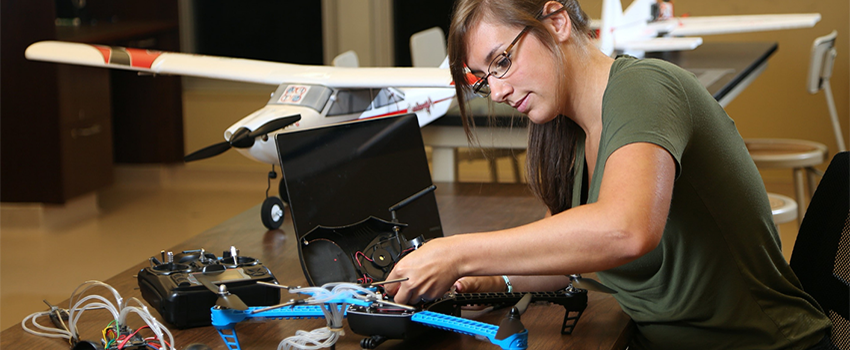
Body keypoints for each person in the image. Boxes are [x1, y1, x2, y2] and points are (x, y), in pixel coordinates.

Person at [384, 0, 834, 349]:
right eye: (484, 79)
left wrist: (457, 254)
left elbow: (626, 229)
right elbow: (570, 254)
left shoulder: (645, 88)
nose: (497, 91)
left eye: (501, 62)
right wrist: (493, 279)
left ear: (557, 22)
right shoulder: (569, 130)